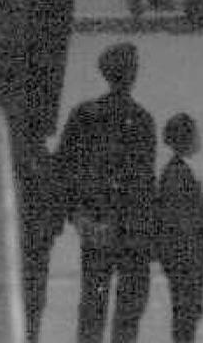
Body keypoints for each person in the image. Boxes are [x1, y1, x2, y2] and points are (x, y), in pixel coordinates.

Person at [57, 43, 158, 343]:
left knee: (93, 307)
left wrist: (77, 214)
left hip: (98, 226)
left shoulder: (84, 115)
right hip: (131, 233)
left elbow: (64, 168)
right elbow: (144, 183)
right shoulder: (142, 120)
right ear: (131, 75)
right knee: (127, 312)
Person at [154, 114, 203, 343]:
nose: (199, 138)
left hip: (188, 260)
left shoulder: (179, 171)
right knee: (186, 319)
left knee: (187, 318)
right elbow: (178, 223)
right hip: (185, 261)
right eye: (195, 133)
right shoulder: (177, 174)